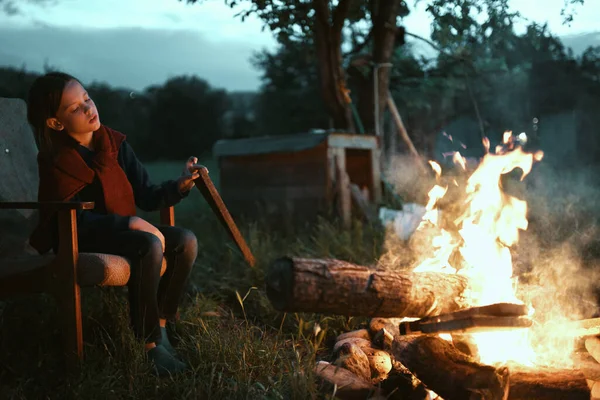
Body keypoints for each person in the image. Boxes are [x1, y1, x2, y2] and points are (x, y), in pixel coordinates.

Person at [27, 71, 199, 376]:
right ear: (55, 123)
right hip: (82, 235)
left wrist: (180, 186)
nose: (89, 108)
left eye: (87, 99)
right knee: (148, 243)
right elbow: (70, 220)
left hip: (119, 231)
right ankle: (148, 346)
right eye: (75, 108)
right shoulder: (57, 160)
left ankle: (162, 324)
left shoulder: (114, 144)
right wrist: (129, 222)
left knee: (185, 241)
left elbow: (147, 195)